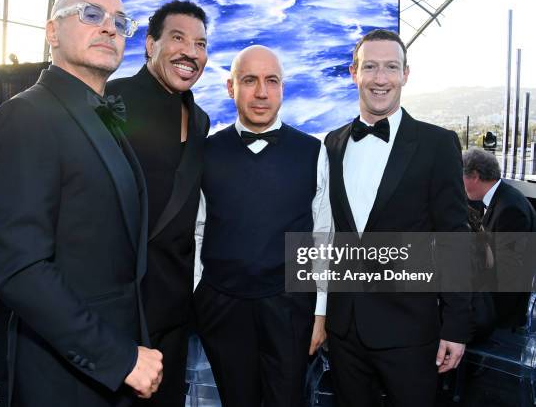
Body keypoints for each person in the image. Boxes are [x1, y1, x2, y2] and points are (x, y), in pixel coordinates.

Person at [0, 0, 162, 407]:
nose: (110, 29)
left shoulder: (98, 115)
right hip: (67, 372)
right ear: (52, 32)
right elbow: (21, 270)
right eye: (91, 15)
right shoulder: (25, 116)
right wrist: (117, 357)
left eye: (120, 23)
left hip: (111, 361)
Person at [324, 29, 472, 407]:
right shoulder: (333, 143)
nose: (380, 78)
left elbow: (454, 238)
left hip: (410, 329)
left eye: (391, 67)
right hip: (344, 329)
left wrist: (456, 325)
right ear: (353, 72)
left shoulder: (437, 144)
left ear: (406, 74)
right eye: (370, 66)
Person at [194, 45, 330, 407]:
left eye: (272, 81)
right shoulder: (206, 152)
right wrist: (198, 294)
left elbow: (323, 236)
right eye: (249, 80)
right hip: (222, 305)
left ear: (282, 88)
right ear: (230, 87)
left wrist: (320, 310)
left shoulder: (314, 152)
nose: (261, 92)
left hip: (290, 306)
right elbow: (197, 229)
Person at [106, 0, 209, 406]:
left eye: (200, 44)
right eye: (178, 38)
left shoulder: (198, 118)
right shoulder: (111, 100)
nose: (190, 52)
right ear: (150, 45)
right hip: (121, 303)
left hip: (175, 303)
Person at [463, 146, 536, 327]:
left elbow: (509, 276)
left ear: (475, 176)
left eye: (461, 176)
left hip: (499, 315)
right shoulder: (496, 198)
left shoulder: (511, 210)